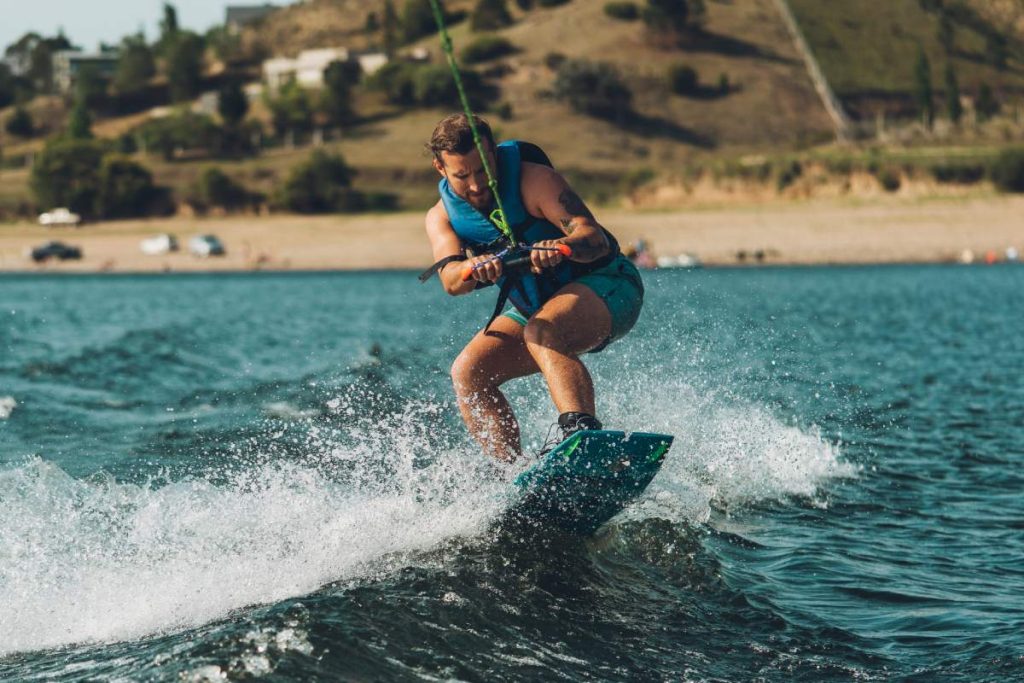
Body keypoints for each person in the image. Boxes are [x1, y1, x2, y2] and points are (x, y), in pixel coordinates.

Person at [421, 113, 644, 462]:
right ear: (440, 167)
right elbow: (450, 281)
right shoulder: (441, 216)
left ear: (494, 153)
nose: (477, 185)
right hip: (537, 307)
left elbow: (593, 237)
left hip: (610, 286)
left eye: (483, 171)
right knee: (468, 372)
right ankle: (511, 476)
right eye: (462, 176)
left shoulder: (535, 181)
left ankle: (581, 435)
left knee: (542, 329)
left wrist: (561, 246)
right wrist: (471, 267)